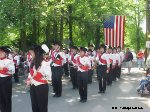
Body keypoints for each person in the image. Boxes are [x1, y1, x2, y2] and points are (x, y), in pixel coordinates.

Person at [26, 44, 51, 112]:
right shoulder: (32, 62)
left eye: (32, 52)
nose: (31, 54)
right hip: (33, 86)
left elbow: (48, 76)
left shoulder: (45, 63)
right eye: (30, 52)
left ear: (37, 52)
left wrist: (39, 75)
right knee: (34, 106)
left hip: (41, 87)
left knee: (42, 106)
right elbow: (30, 73)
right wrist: (28, 79)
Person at [0, 46, 15, 112]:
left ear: (5, 53)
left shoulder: (9, 61)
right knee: (1, 99)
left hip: (6, 81)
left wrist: (3, 69)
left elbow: (12, 71)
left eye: (1, 52)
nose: (0, 53)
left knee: (7, 98)